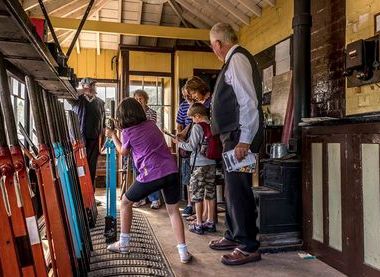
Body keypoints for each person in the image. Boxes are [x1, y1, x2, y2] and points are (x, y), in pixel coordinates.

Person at [105, 98, 192, 264]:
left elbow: (123, 152)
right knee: (173, 211)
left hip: (151, 173)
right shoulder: (152, 125)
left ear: (121, 115)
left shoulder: (127, 132)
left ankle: (123, 244)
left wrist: (113, 135)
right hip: (171, 171)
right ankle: (183, 252)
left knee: (125, 202)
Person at [208, 23, 264, 266]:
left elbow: (248, 102)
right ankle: (233, 235)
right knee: (232, 188)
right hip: (232, 136)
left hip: (238, 136)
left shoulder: (238, 59)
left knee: (239, 189)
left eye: (212, 46)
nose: (214, 50)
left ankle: (248, 245)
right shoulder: (232, 60)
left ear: (218, 44)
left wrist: (244, 140)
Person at [173, 103, 217, 235]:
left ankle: (198, 223)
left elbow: (191, 147)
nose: (192, 121)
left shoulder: (198, 127)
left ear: (197, 116)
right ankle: (210, 221)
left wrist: (178, 143)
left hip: (199, 164)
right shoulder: (213, 124)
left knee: (197, 194)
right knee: (210, 192)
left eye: (192, 118)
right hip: (212, 162)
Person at [68, 78, 105, 187]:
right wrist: (84, 90)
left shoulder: (100, 103)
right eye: (91, 85)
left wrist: (102, 141)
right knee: (79, 166)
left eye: (94, 85)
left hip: (94, 141)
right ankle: (80, 195)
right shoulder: (76, 99)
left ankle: (90, 195)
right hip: (78, 140)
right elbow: (68, 94)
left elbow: (102, 124)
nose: (93, 87)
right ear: (84, 86)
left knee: (91, 167)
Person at [133, 89, 161, 209]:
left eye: (141, 98)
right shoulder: (132, 113)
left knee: (150, 173)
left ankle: (155, 199)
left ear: (145, 99)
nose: (139, 101)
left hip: (149, 148)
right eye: (136, 99)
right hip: (136, 148)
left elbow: (149, 128)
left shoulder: (151, 113)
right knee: (139, 174)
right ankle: (141, 198)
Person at [176, 87, 194, 217]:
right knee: (187, 174)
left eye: (188, 94)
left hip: (199, 144)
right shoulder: (183, 106)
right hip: (186, 143)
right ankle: (189, 204)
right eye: (184, 95)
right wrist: (179, 134)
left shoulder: (201, 105)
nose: (187, 97)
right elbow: (179, 124)